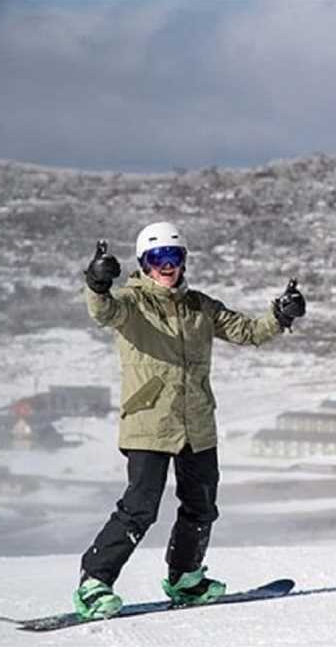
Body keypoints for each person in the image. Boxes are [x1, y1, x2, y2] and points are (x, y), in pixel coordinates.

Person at [74, 221, 306, 619]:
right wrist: (96, 284)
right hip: (149, 422)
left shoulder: (201, 306)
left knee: (201, 505)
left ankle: (186, 577)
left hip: (197, 424)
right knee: (139, 508)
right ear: (144, 263)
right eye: (157, 258)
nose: (167, 265)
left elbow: (248, 331)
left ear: (183, 261)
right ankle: (94, 582)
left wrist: (280, 316)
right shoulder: (132, 303)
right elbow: (103, 311)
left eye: (174, 257)